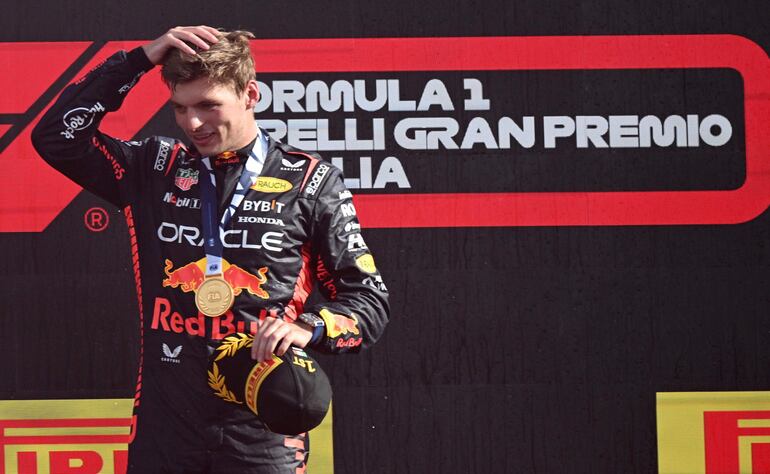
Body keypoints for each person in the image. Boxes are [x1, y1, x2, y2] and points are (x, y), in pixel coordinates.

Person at [31, 26, 389, 473]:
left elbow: (368, 301)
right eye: (180, 108)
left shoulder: (310, 183)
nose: (192, 123)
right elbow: (55, 137)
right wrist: (138, 61)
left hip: (265, 432)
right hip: (165, 431)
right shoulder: (153, 168)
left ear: (250, 94)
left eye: (208, 105)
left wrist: (310, 328)